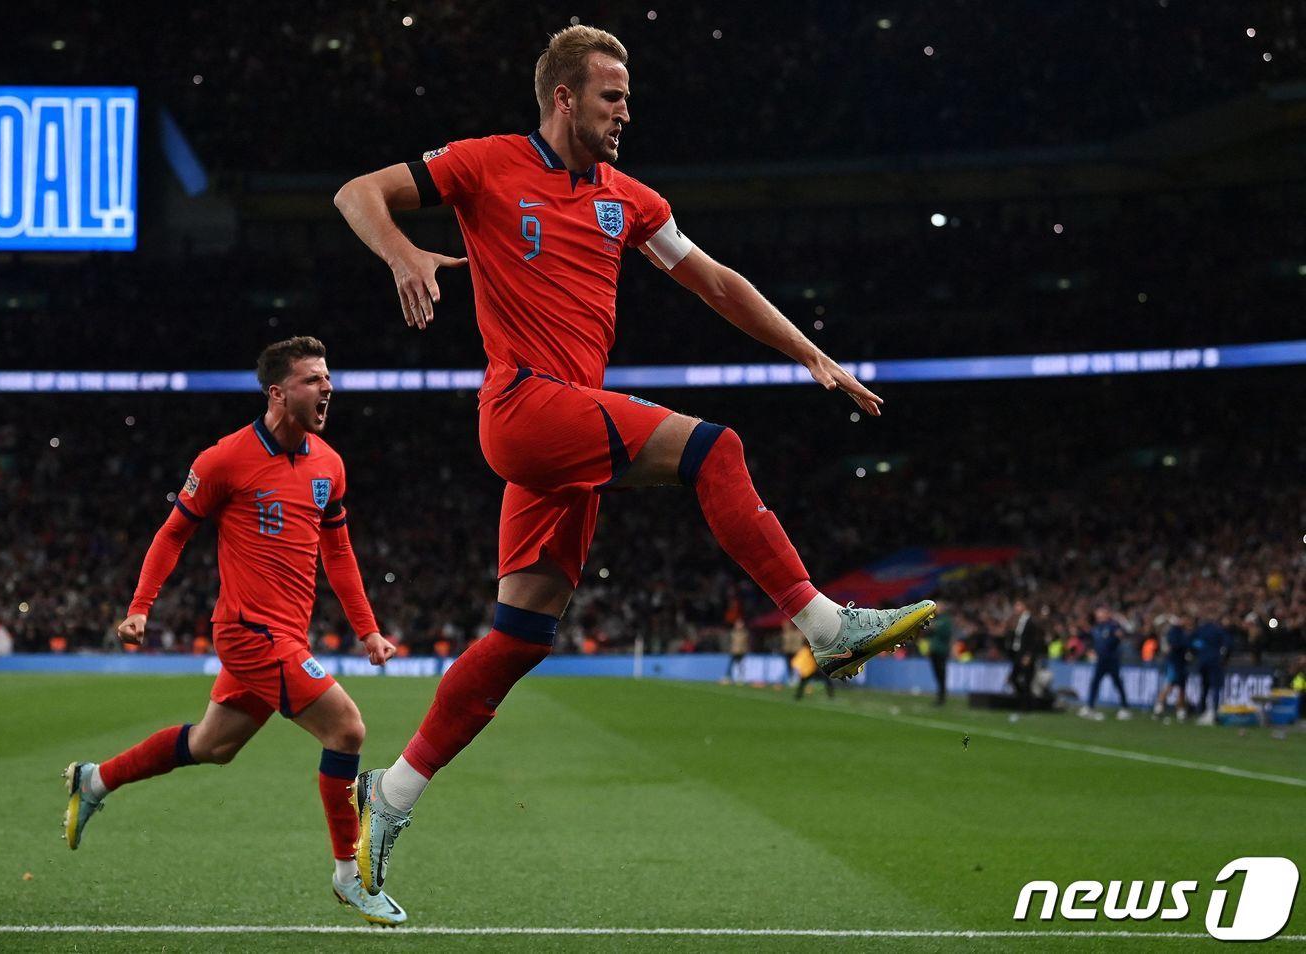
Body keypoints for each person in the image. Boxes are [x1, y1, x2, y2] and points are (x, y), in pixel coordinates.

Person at [333, 24, 937, 899]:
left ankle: (386, 800)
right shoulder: (484, 163)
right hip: (523, 406)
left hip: (563, 429)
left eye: (629, 98)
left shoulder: (629, 200)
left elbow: (717, 281)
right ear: (563, 97)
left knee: (517, 640)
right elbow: (358, 193)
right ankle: (822, 625)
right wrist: (402, 253)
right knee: (714, 449)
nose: (626, 112)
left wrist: (809, 353)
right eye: (611, 97)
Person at [60, 337, 405, 926]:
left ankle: (94, 780)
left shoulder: (329, 463)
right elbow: (172, 533)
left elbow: (339, 551)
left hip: (287, 636)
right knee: (347, 730)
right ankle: (351, 877)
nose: (327, 388)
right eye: (312, 380)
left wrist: (367, 630)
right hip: (249, 633)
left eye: (327, 377)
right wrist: (141, 606)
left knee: (212, 747)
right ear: (277, 392)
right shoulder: (224, 460)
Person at [1079, 606, 1133, 721]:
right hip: (1101, 660)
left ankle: (1125, 708)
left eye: (1101, 613)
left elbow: (1122, 635)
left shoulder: (1113, 626)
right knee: (1095, 683)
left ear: (1107, 614)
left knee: (1117, 683)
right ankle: (1090, 706)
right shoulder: (1097, 628)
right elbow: (1093, 640)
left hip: (1112, 659)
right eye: (1098, 614)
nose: (1099, 615)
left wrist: (1118, 633)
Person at [1191, 612, 1233, 726]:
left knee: (1204, 687)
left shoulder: (1201, 630)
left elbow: (1193, 643)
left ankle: (1201, 712)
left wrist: (1197, 654)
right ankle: (1214, 713)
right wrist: (1224, 658)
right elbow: (1227, 644)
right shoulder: (1219, 630)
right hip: (1215, 662)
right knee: (1215, 687)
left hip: (1202, 662)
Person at [1151, 614, 1191, 722]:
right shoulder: (1175, 631)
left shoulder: (1183, 631)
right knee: (1170, 683)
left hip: (1181, 662)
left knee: (1181, 686)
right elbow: (1175, 644)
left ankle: (1180, 709)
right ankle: (1159, 706)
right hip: (1174, 662)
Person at [926, 613, 953, 705]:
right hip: (934, 651)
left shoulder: (945, 620)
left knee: (941, 675)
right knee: (937, 675)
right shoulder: (937, 620)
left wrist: (935, 628)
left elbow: (946, 634)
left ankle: (942, 697)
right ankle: (940, 696)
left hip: (941, 651)